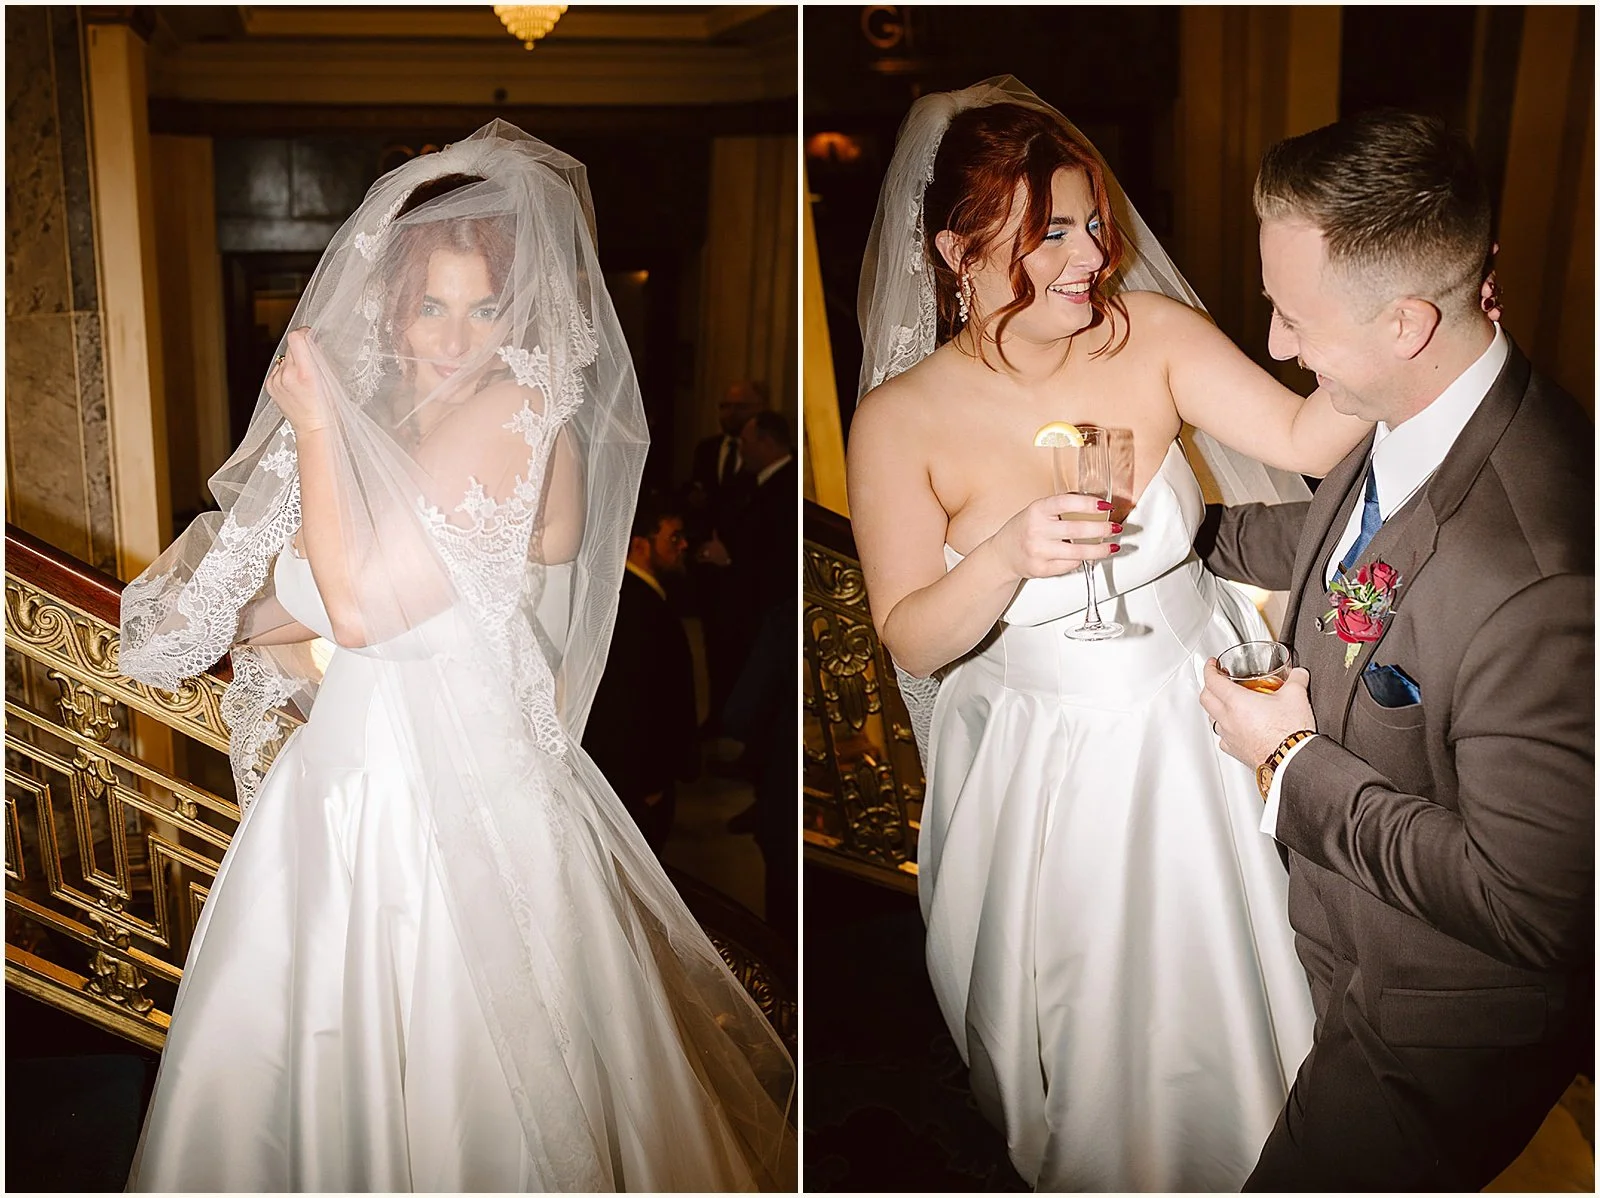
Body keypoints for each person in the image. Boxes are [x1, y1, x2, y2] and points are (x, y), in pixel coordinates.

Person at [117, 122, 794, 1192]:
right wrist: (253, 619)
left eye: (484, 306)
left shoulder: (506, 406)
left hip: (421, 776)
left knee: (451, 1027)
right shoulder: (469, 416)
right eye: (432, 304)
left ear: (520, 307)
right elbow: (537, 545)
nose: (455, 334)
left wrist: (322, 434)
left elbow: (359, 600)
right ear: (393, 305)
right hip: (388, 754)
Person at [846, 77, 1374, 1191]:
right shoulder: (901, 420)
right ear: (956, 249)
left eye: (1092, 222)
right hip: (1041, 762)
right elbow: (910, 639)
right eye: (1049, 234)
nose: (1089, 254)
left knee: (1250, 994)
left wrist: (1392, 337)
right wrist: (1002, 556)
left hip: (1197, 724)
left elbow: (1304, 434)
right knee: (1095, 1034)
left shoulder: (1156, 338)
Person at [1197, 110, 1593, 1191]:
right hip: (1346, 960)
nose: (1274, 342)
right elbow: (1346, 549)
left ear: (1407, 322)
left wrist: (1290, 764)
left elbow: (1531, 906)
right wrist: (1177, 532)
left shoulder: (1543, 579)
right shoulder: (1425, 405)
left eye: (1290, 317)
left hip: (1435, 1032)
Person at [582, 493, 698, 852]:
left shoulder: (625, 596)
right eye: (673, 538)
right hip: (637, 787)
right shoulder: (642, 611)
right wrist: (650, 785)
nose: (684, 545)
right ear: (639, 545)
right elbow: (632, 703)